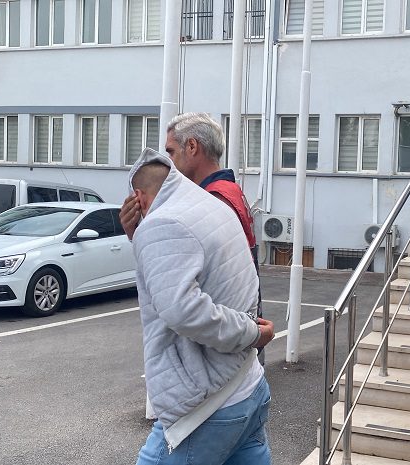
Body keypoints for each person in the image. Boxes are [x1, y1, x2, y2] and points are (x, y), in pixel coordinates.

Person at [130, 149, 274, 464]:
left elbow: (183, 310)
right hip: (248, 383)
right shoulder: (213, 205)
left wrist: (251, 334)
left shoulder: (160, 224)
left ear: (138, 197)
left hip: (206, 407)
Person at [120, 112, 265, 366]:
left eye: (171, 152)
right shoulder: (228, 191)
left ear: (192, 146)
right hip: (239, 332)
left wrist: (142, 233)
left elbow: (189, 295)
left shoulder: (211, 199)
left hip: (220, 352)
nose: (168, 163)